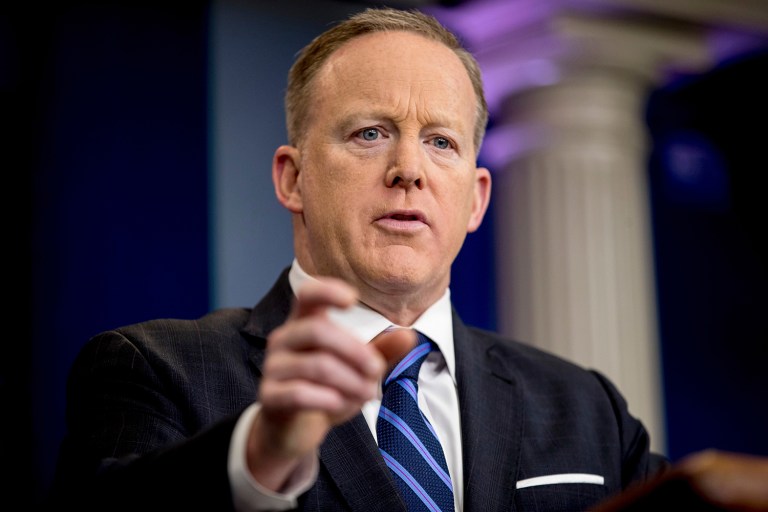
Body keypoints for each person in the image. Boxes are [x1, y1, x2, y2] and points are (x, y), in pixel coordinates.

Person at [45, 7, 672, 512]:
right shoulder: (155, 369)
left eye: (441, 142)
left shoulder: (585, 407)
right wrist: (259, 457)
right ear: (293, 179)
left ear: (477, 198)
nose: (409, 170)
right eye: (370, 133)